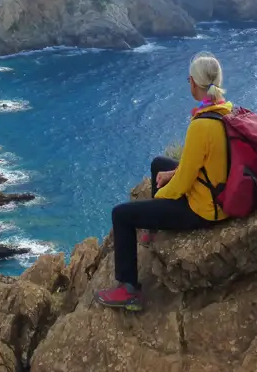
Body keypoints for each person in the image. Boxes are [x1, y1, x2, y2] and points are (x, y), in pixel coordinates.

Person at [93, 52, 231, 311]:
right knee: (159, 163)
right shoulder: (224, 111)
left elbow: (181, 185)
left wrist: (157, 203)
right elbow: (201, 163)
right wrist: (172, 173)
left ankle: (128, 290)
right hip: (216, 191)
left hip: (203, 210)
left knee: (121, 215)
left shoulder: (202, 125)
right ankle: (154, 231)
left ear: (192, 82)